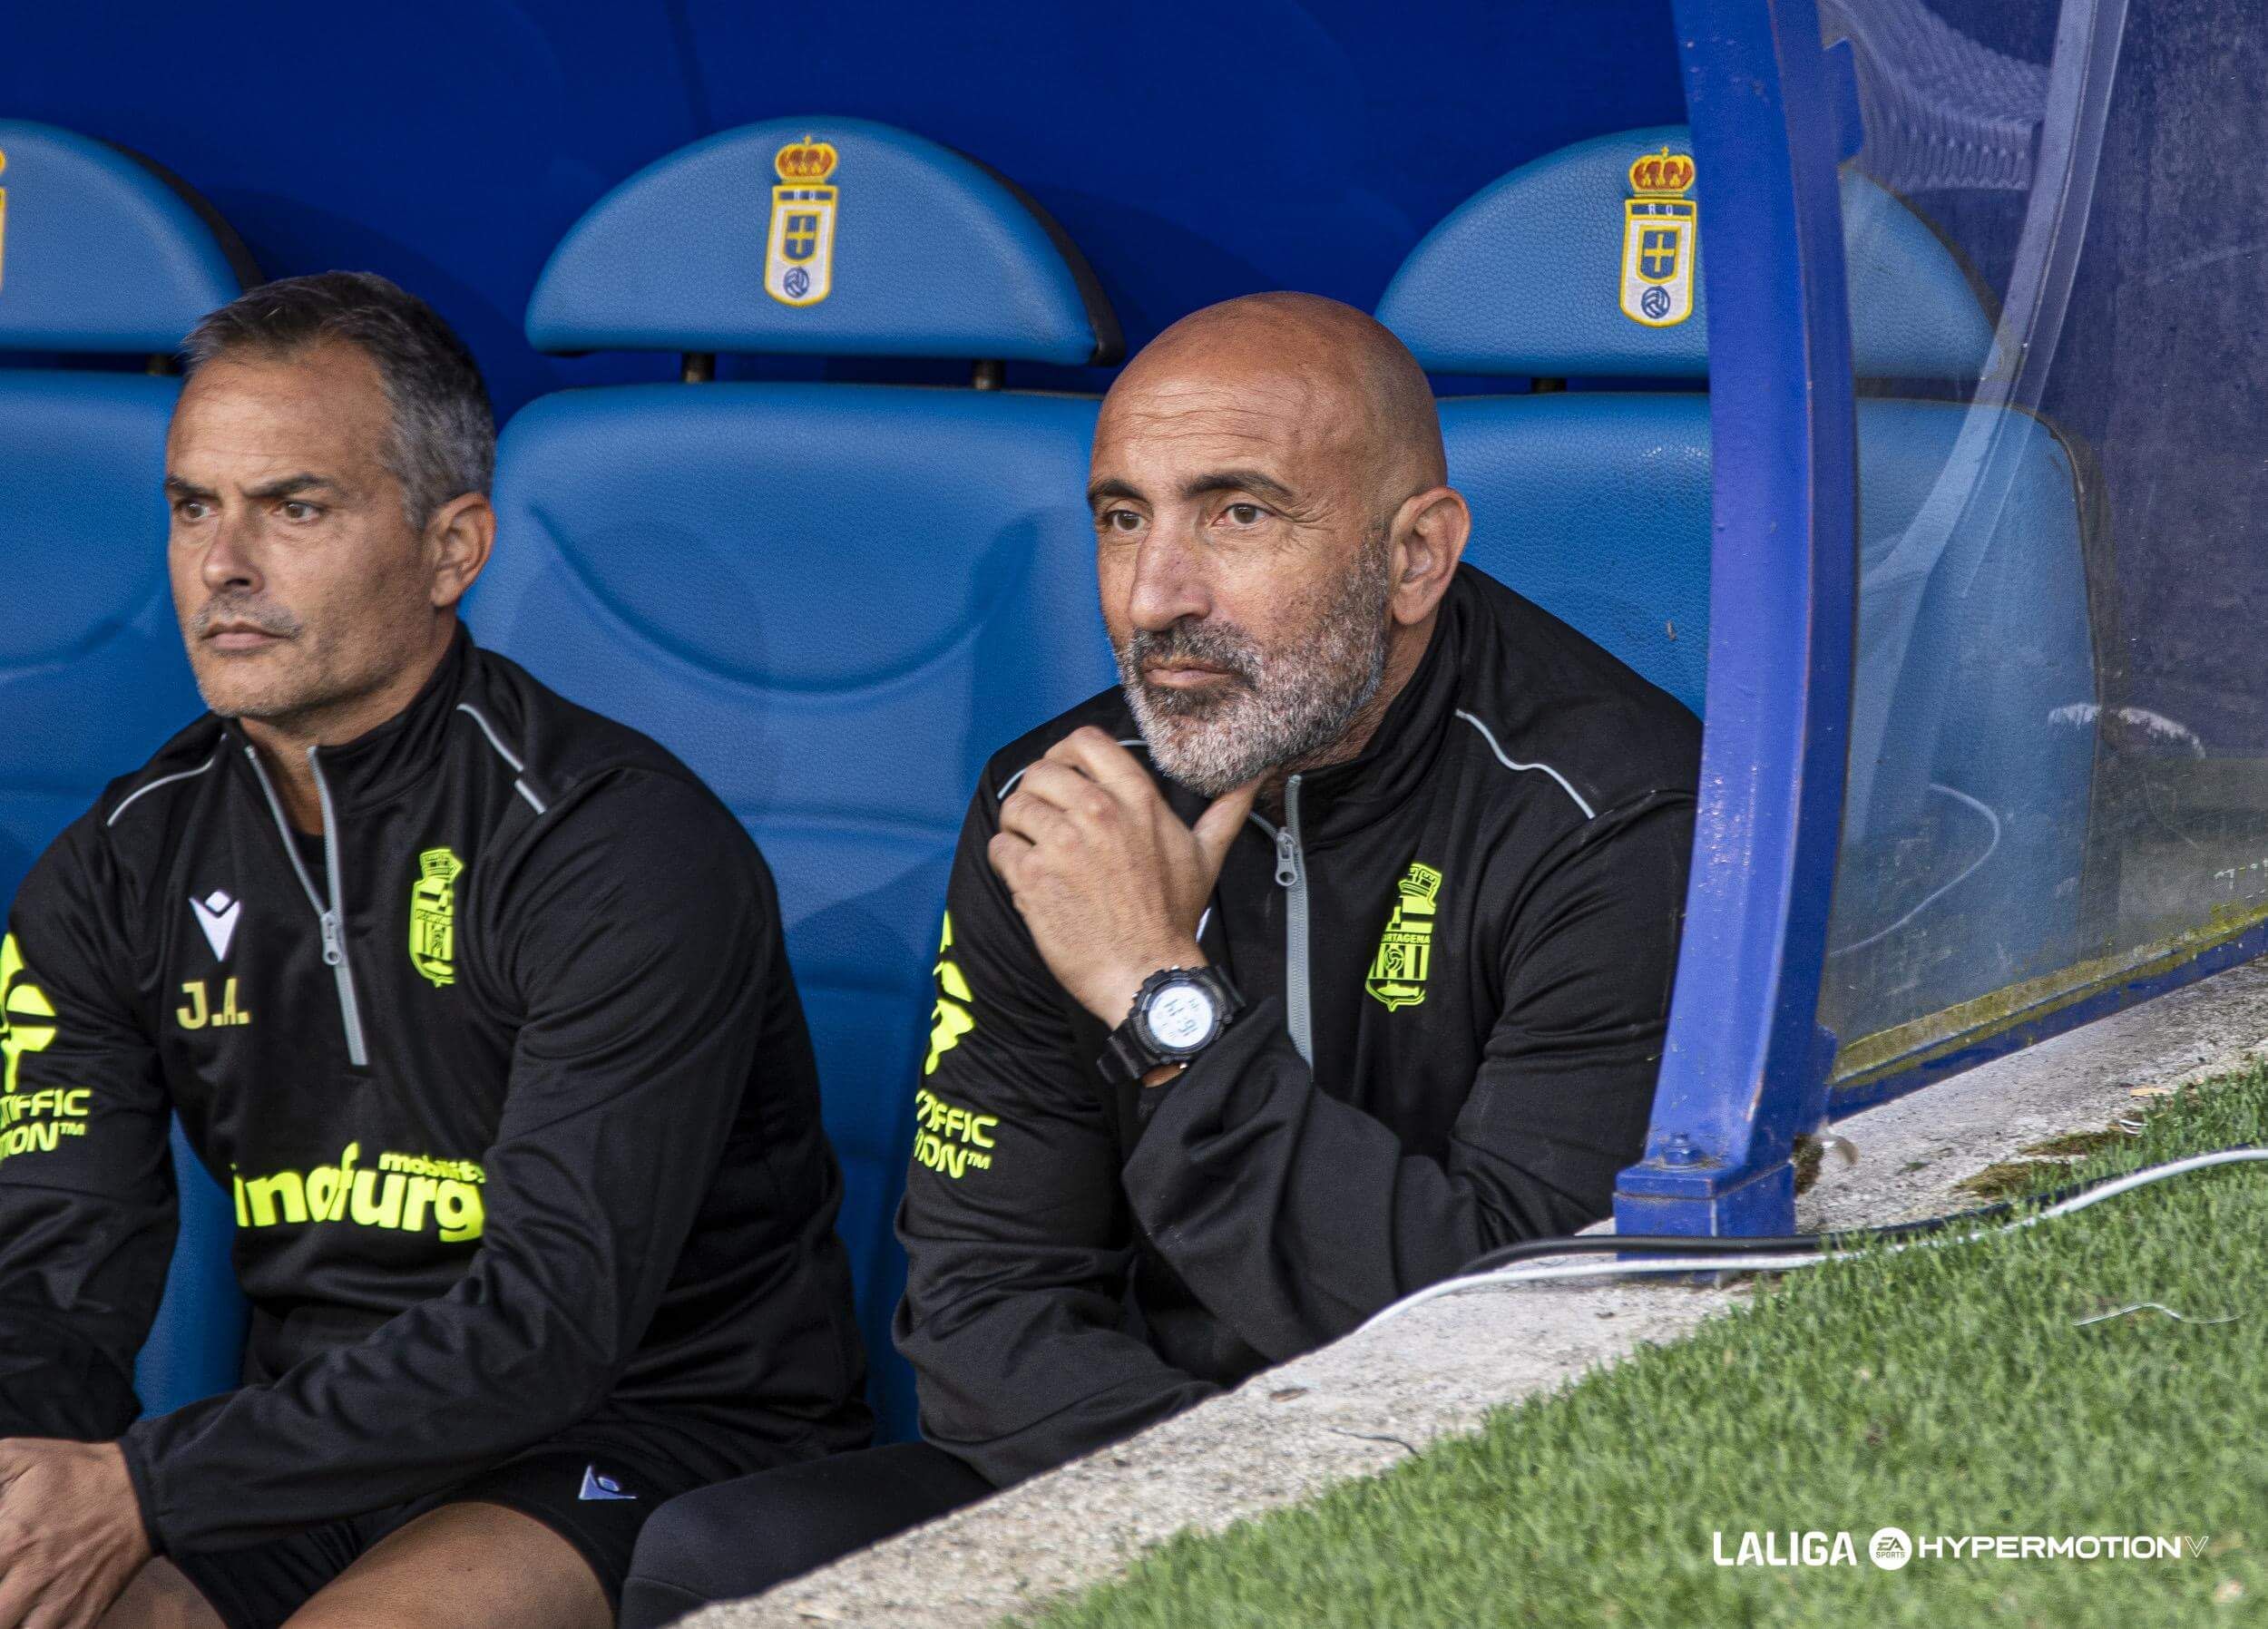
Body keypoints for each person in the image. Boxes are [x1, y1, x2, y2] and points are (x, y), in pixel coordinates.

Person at [616, 291, 1700, 1624]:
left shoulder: (1618, 814)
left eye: (1238, 514)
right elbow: (980, 1307)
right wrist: (1211, 1516)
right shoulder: (1064, 804)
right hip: (1146, 1460)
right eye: (1122, 516)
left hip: (1473, 1502)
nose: (1153, 596)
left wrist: (1155, 994)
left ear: (1418, 556)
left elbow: (1506, 1337)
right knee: (716, 1556)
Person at [0, 272, 871, 1629]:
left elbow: (551, 1322)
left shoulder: (616, 845)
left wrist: (144, 1493)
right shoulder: (114, 870)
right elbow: (48, 1282)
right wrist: (35, 1488)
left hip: (642, 1432)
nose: (223, 564)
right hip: (303, 1446)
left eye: (296, 508)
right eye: (191, 507)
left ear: (452, 547)